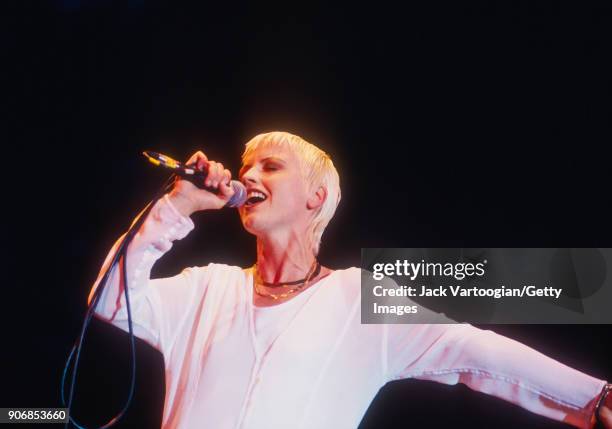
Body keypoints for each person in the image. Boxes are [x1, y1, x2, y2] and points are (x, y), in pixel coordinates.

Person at [89, 131, 611, 428]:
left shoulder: (356, 299)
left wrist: (595, 396)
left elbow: (476, 351)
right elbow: (111, 300)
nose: (248, 177)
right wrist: (175, 205)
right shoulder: (207, 288)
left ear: (316, 198)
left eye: (270, 167)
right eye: (246, 167)